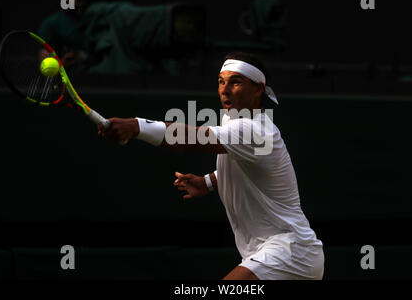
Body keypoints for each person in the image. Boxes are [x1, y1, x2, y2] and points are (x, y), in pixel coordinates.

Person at [98, 52, 324, 280]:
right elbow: (249, 170)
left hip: (290, 251)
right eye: (221, 81)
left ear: (258, 89)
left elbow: (189, 139)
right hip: (276, 253)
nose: (224, 90)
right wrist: (207, 182)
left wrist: (137, 126)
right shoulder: (234, 122)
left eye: (235, 82)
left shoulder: (255, 131)